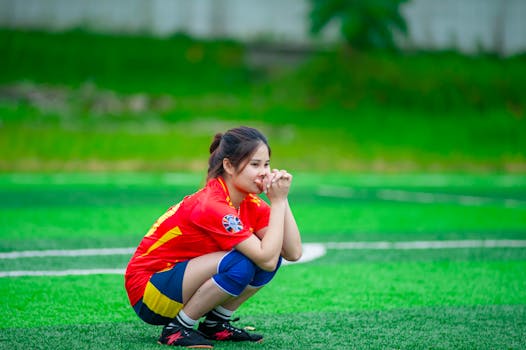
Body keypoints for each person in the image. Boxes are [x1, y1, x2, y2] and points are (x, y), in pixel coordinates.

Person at [125, 126, 302, 348]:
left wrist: (282, 201)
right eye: (255, 164)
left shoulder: (249, 203)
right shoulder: (212, 204)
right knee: (244, 262)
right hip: (149, 292)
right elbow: (264, 257)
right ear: (228, 165)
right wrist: (276, 202)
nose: (264, 172)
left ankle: (215, 324)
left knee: (270, 256)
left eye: (266, 164)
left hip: (178, 284)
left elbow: (293, 252)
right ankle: (177, 328)